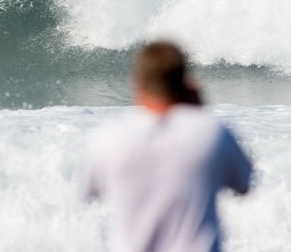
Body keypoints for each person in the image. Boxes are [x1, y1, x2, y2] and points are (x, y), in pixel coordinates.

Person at [83, 42, 252, 252]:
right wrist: (197, 111)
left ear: (139, 81)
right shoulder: (213, 133)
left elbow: (88, 193)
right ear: (184, 82)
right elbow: (245, 185)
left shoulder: (110, 137)